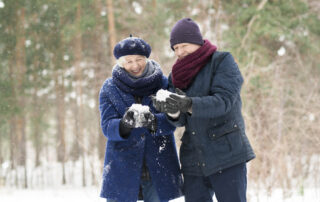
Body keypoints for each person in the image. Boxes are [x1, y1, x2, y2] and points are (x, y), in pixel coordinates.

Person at [152, 18, 256, 202]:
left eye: (183, 45)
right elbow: (181, 120)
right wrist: (173, 111)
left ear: (197, 42)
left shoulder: (222, 61)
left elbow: (223, 101)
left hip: (226, 153)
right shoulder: (175, 75)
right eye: (175, 48)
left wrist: (187, 103)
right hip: (193, 159)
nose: (179, 52)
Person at [99, 35, 183, 202]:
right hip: (122, 168)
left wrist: (153, 122)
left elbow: (173, 121)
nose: (135, 65)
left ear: (146, 58)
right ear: (121, 63)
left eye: (139, 59)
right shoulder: (109, 88)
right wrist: (124, 124)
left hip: (158, 167)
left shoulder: (163, 83)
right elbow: (107, 126)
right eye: (129, 61)